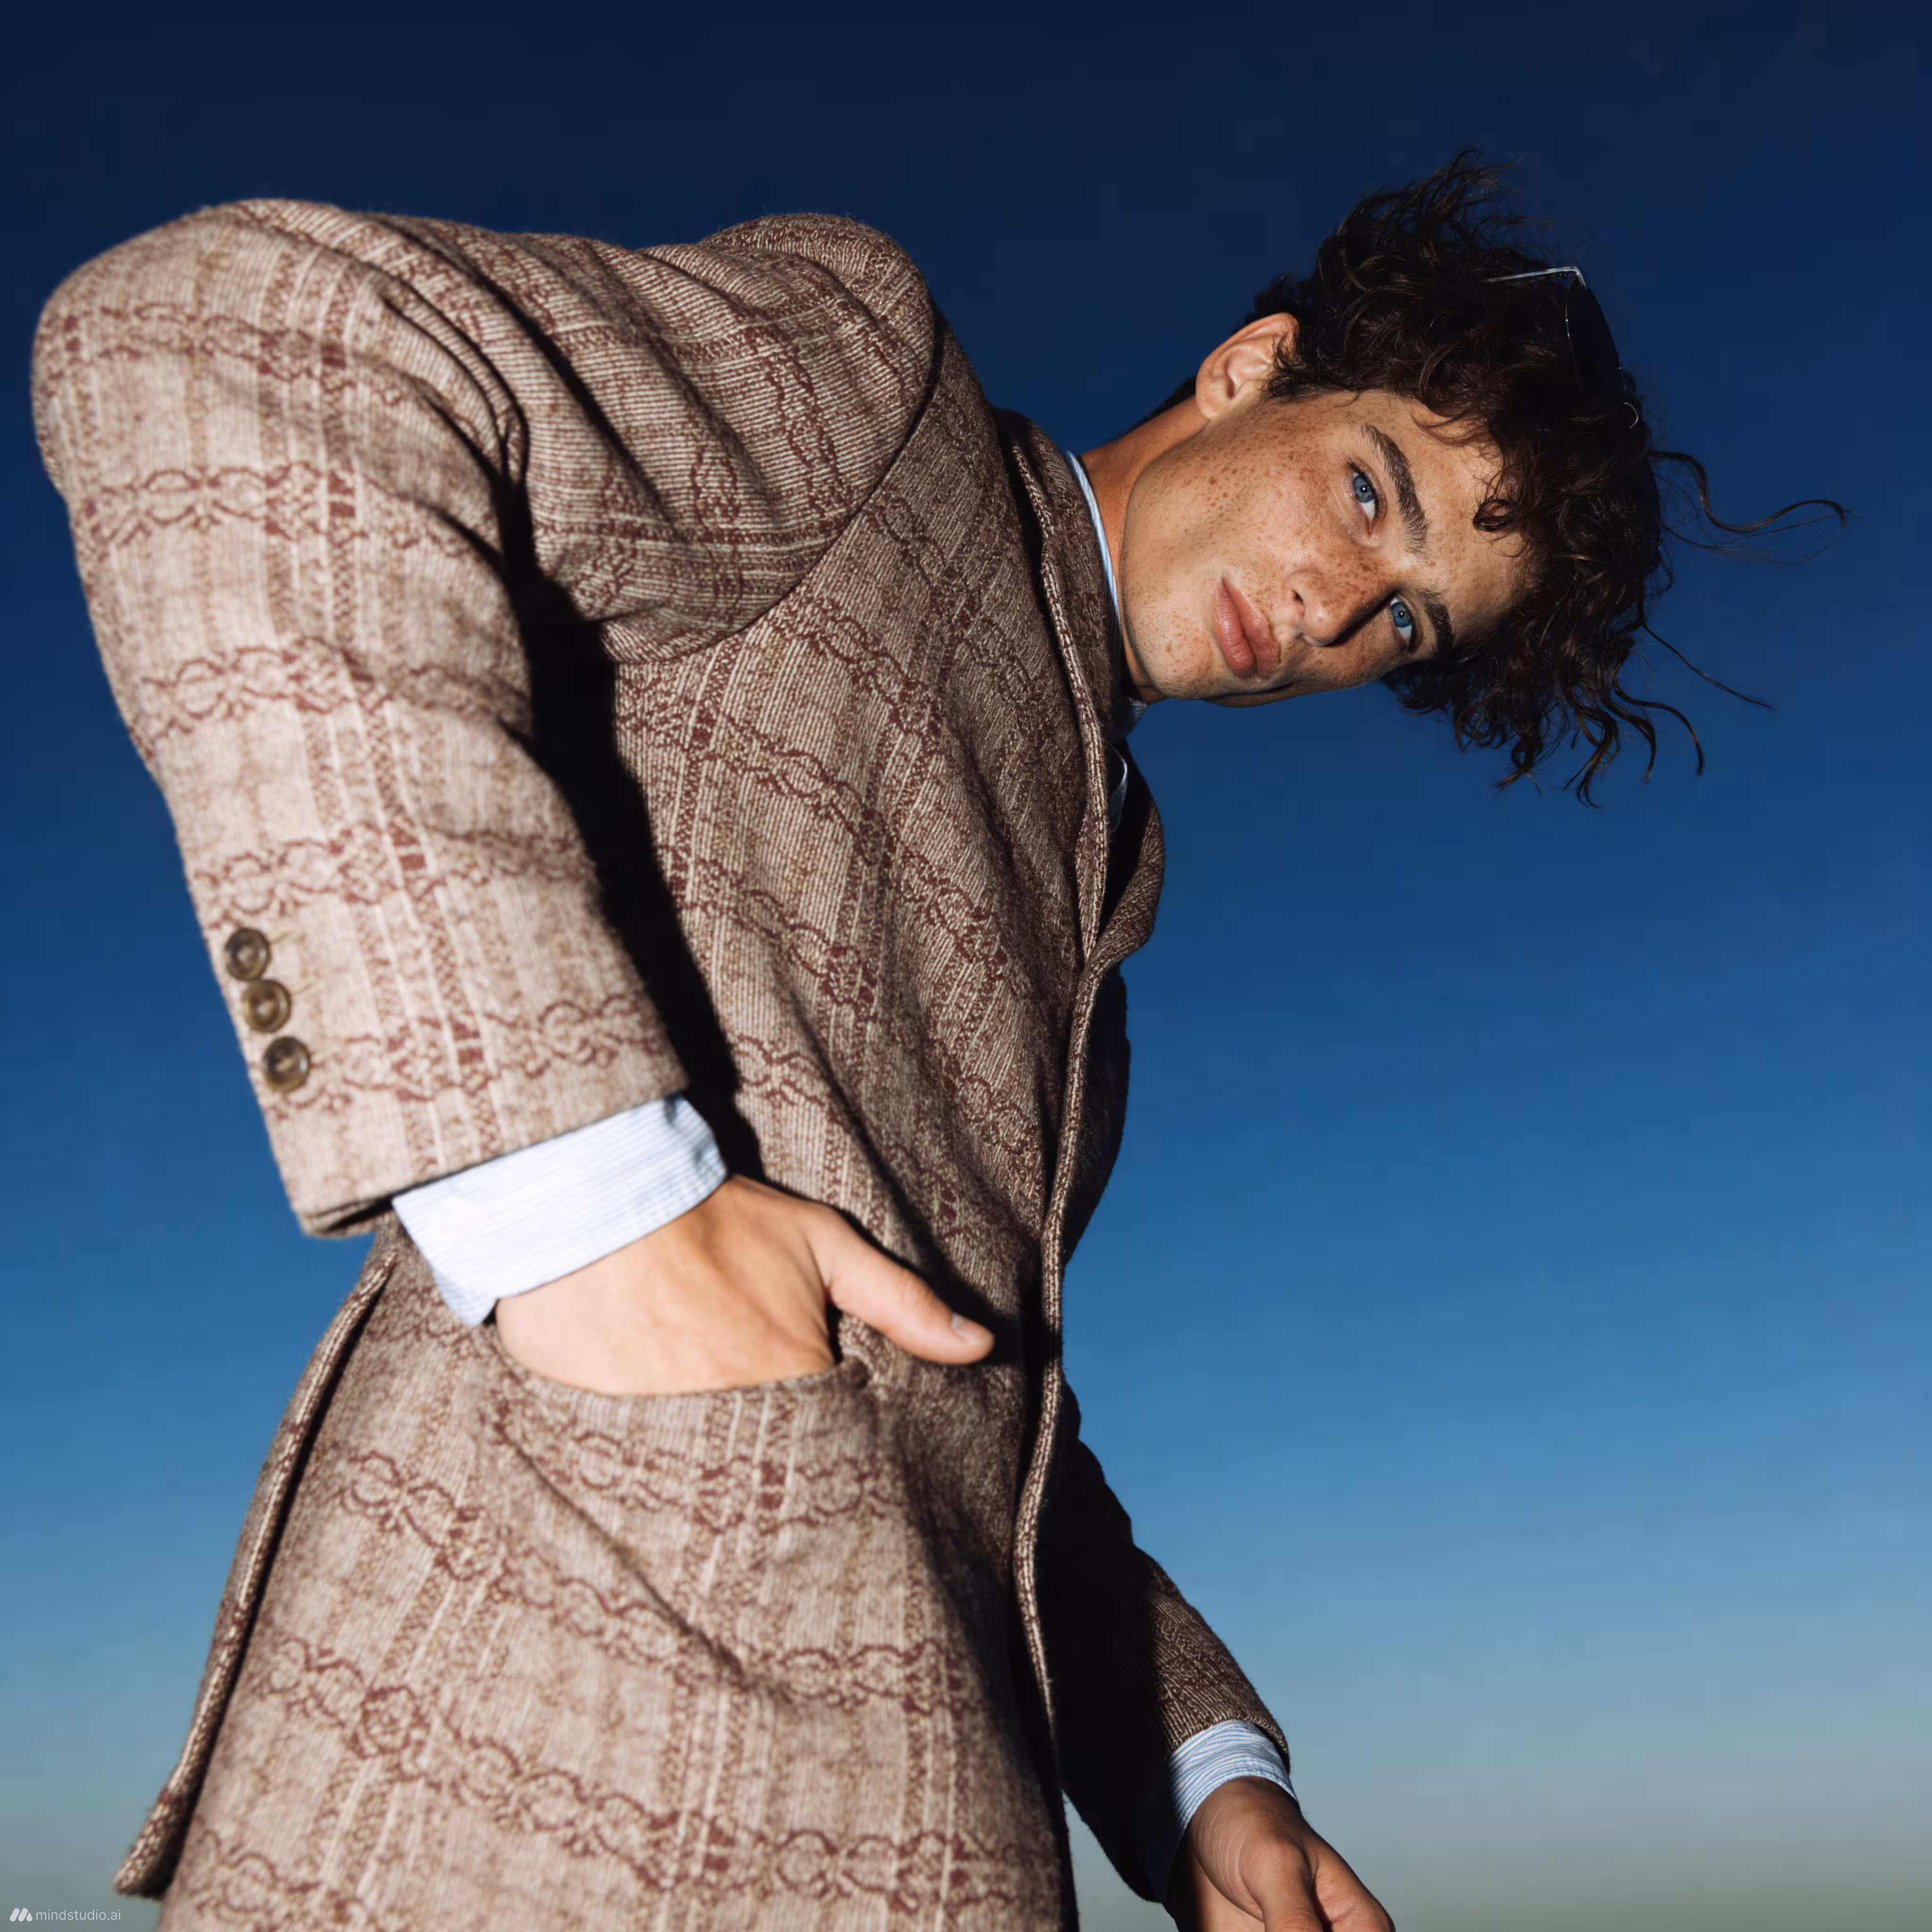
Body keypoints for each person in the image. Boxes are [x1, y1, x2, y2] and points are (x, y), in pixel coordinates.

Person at [31, 154, 1826, 1932]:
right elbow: (237, 336)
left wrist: (1199, 1778)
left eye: (1413, 619)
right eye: (1370, 496)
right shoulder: (879, 413)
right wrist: (571, 1190)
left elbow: (971, 1392)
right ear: (1252, 366)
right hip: (538, 1773)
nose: (1350, 613)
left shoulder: (1107, 909)